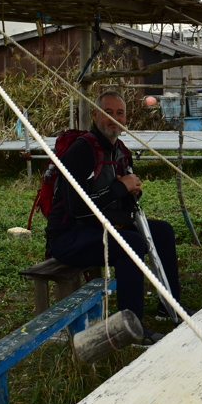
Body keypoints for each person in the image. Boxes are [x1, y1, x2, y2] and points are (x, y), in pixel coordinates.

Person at [45, 90, 182, 345]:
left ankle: (169, 307)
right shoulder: (82, 151)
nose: (114, 119)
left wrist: (132, 191)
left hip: (102, 227)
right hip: (70, 234)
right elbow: (78, 208)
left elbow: (120, 197)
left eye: (119, 113)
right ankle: (131, 331)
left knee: (162, 232)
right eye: (108, 113)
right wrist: (120, 188)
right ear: (95, 115)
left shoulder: (120, 151)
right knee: (132, 244)